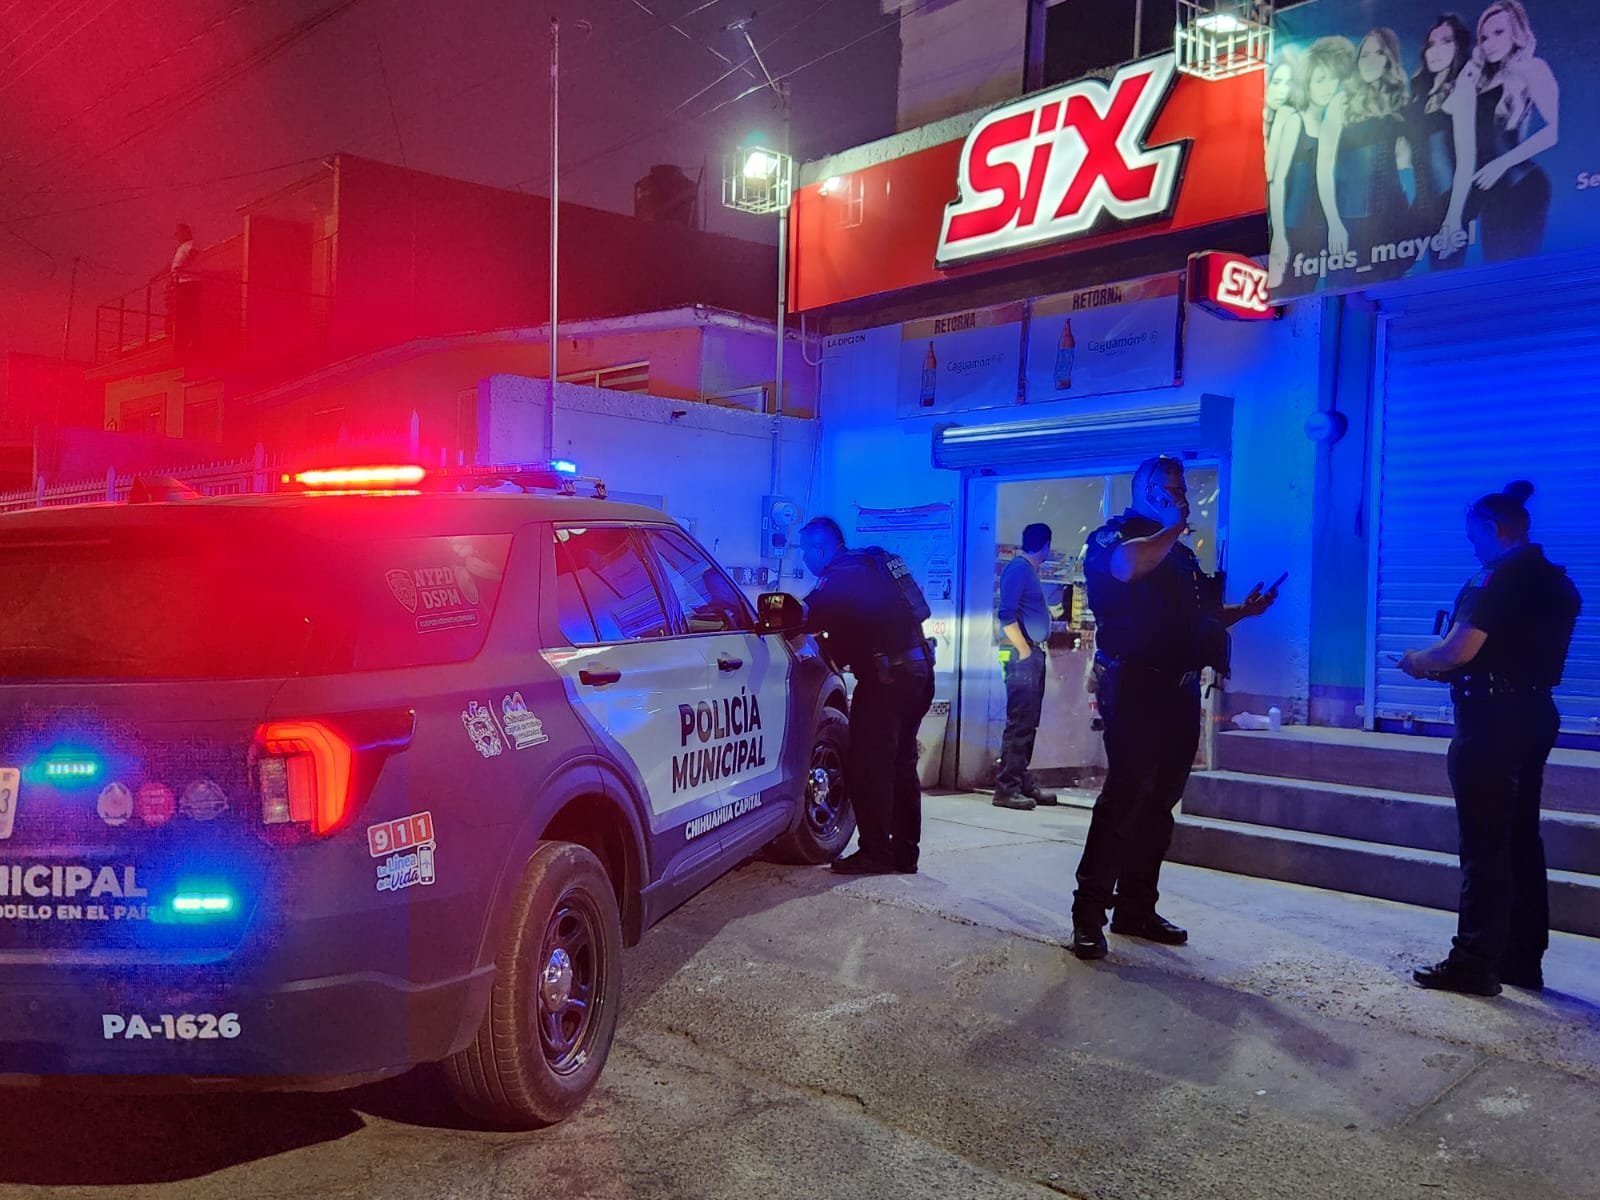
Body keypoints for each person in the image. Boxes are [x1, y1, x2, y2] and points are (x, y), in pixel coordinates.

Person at [1069, 457, 1277, 959]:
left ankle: (1136, 909)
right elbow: (1128, 567)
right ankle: (1088, 916)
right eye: (1169, 486)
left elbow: (1197, 620)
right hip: (1135, 685)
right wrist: (1172, 525)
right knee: (1125, 799)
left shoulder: (1179, 553)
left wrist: (1243, 613)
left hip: (1180, 689)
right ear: (1145, 488)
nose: (1180, 494)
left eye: (1182, 487)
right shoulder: (1114, 537)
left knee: (1160, 805)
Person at [1399, 481, 1580, 996]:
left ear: (1493, 528)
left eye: (1473, 535)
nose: (1471, 546)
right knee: (1521, 838)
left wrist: (1417, 661)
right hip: (1535, 713)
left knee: (1484, 843)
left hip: (1490, 719)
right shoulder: (1555, 580)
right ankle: (1522, 960)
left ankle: (1473, 962)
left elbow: (1458, 650)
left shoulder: (1496, 577)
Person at [799, 517, 936, 877]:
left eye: (804, 551)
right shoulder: (875, 561)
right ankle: (905, 853)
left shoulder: (840, 573)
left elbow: (805, 615)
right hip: (919, 673)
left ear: (820, 548)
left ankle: (875, 852)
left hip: (886, 681)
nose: (803, 558)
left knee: (869, 767)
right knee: (902, 764)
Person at [1441, 0, 1558, 264]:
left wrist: (1502, 163)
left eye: (1498, 33)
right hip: (1490, 194)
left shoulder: (1533, 68)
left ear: (1515, 33)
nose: (1489, 43)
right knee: (1495, 267)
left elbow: (1551, 132)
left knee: (1519, 273)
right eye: (1483, 37)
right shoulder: (1479, 79)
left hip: (1523, 185)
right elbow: (1449, 114)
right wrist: (1465, 79)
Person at [1319, 28, 1411, 282]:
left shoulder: (1398, 101)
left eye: (1378, 53)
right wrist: (1334, 222)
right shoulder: (1341, 102)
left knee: (1389, 289)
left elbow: (1406, 161)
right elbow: (1324, 166)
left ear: (1388, 59)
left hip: (1393, 220)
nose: (1370, 60)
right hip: (1349, 221)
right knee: (1347, 290)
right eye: (1364, 55)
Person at [1269, 36, 1354, 289]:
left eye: (1333, 79)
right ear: (1307, 82)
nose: (1328, 87)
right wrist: (1279, 236)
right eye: (1320, 79)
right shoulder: (1296, 121)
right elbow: (1277, 182)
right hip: (1293, 230)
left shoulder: (1331, 124)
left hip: (1319, 232)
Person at [993, 522, 1059, 811]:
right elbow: (1006, 614)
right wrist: (1023, 650)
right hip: (1023, 654)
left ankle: (1020, 780)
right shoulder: (1020, 569)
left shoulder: (1025, 570)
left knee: (1028, 721)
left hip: (1030, 652)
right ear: (1046, 546)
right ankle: (1007, 787)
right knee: (1020, 721)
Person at [1406, 15, 1474, 273]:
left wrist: (1454, 217)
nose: (1435, 51)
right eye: (1431, 44)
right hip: (1420, 204)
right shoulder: (1419, 94)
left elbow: (1466, 160)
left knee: (1445, 277)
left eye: (1446, 41)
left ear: (1458, 47)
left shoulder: (1462, 89)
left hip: (1449, 203)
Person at [168, 222, 200, 352]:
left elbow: (194, 255)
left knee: (188, 314)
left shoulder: (191, 244)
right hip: (181, 282)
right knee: (181, 314)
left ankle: (191, 343)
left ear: (186, 232)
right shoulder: (182, 248)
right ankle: (184, 342)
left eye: (178, 233)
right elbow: (172, 265)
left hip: (189, 283)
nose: (176, 236)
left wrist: (182, 268)